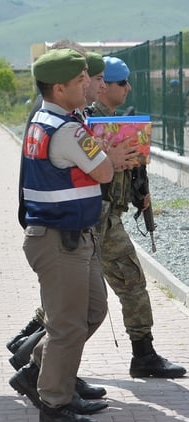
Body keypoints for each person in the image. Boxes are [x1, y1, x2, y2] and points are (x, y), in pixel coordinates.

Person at [11, 49, 139, 422]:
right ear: (60, 86)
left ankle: (37, 372)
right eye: (82, 79)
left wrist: (106, 157)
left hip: (71, 236)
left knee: (91, 312)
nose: (90, 83)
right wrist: (111, 157)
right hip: (59, 239)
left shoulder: (53, 118)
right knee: (67, 326)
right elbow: (100, 171)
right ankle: (54, 404)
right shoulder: (65, 128)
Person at [91, 58, 185, 378]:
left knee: (77, 291)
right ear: (105, 86)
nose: (129, 88)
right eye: (123, 83)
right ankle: (143, 355)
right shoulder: (93, 123)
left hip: (108, 215)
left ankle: (29, 346)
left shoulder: (112, 122)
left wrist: (136, 193)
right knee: (126, 284)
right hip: (98, 218)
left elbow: (126, 170)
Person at [164, 78, 184, 151]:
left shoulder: (168, 95)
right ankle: (179, 148)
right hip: (177, 116)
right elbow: (183, 106)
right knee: (177, 134)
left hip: (170, 116)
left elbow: (165, 106)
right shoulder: (180, 95)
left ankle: (171, 148)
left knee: (171, 134)